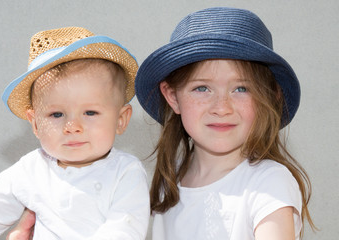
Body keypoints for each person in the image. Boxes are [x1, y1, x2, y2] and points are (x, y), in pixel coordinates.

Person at [134, 7, 315, 239]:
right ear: (172, 97)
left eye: (241, 89)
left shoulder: (269, 183)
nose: (221, 108)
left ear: (270, 96)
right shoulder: (168, 182)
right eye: (202, 88)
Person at [0, 27, 150, 239]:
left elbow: (124, 229)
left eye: (90, 112)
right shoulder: (29, 171)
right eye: (57, 114)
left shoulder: (125, 172)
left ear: (120, 119)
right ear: (35, 124)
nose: (72, 126)